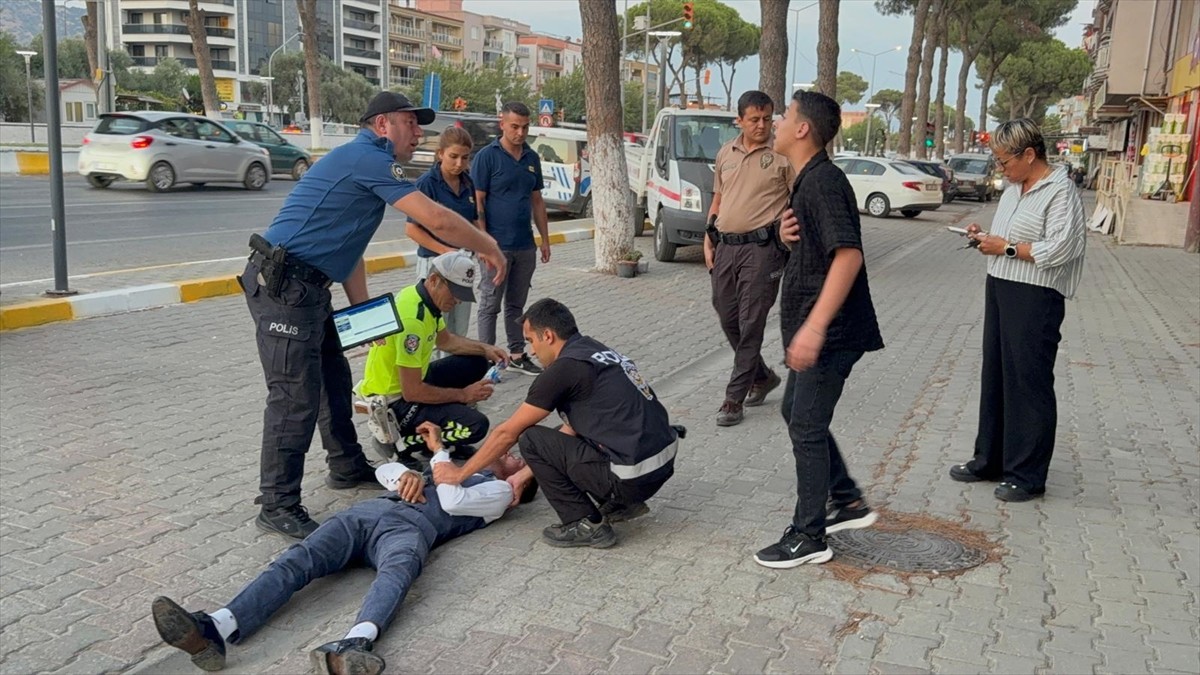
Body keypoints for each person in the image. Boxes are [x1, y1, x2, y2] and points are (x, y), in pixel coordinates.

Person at [243, 91, 507, 540]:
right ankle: (277, 503)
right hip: (284, 287)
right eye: (410, 123)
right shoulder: (366, 158)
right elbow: (437, 220)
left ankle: (346, 466)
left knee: (334, 380)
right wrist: (489, 245)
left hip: (308, 288)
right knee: (294, 399)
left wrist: (365, 314)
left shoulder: (370, 167)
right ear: (383, 125)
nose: (418, 133)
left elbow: (350, 251)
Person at [150, 422, 538, 675]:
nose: (506, 453)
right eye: (509, 451)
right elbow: (383, 471)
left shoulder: (499, 494)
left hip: (409, 529)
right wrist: (406, 476)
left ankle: (353, 645)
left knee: (397, 574)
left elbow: (452, 501)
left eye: (513, 457)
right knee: (298, 560)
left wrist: (438, 454)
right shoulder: (453, 468)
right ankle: (216, 626)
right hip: (367, 514)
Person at [433, 299, 683, 549]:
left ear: (549, 336)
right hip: (659, 466)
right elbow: (573, 429)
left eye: (531, 340)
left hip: (632, 476)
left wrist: (459, 474)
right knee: (554, 439)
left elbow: (507, 433)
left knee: (531, 439)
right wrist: (522, 475)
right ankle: (623, 504)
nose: (531, 351)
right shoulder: (593, 350)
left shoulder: (563, 370)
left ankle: (584, 524)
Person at [755, 90, 884, 569]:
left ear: (803, 128)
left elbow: (848, 254)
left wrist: (814, 327)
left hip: (831, 333)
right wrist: (785, 236)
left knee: (806, 424)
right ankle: (846, 500)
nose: (779, 123)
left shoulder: (823, 182)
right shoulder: (808, 181)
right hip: (822, 331)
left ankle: (809, 534)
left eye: (786, 116)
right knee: (796, 411)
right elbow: (820, 249)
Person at [949, 118, 1086, 502]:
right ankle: (989, 459)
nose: (1000, 168)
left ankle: (1027, 475)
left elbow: (1062, 248)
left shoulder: (1060, 191)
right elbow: (1009, 238)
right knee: (996, 373)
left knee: (1028, 381)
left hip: (1036, 295)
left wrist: (1006, 248)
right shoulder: (1013, 189)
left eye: (1004, 160)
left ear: (1029, 154)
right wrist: (984, 239)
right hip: (1001, 285)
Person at [358, 251, 508, 468]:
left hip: (412, 381)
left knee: (477, 361)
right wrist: (464, 395)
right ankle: (400, 443)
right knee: (476, 426)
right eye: (454, 292)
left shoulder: (422, 298)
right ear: (434, 280)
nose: (457, 300)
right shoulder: (413, 321)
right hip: (395, 401)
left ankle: (439, 435)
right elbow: (412, 392)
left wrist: (485, 349)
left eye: (462, 293)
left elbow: (446, 341)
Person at [705, 90, 796, 427]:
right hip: (725, 247)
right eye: (754, 119)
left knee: (751, 323)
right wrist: (708, 236)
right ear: (739, 120)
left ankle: (733, 398)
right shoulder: (725, 153)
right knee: (727, 315)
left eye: (767, 118)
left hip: (763, 251)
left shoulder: (784, 156)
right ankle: (762, 376)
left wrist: (787, 237)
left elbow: (798, 201)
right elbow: (718, 199)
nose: (761, 125)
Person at [471, 101, 552, 375]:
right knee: (490, 304)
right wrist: (483, 243)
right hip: (496, 247)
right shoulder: (487, 156)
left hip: (525, 245)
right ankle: (486, 359)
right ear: (502, 123)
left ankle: (517, 354)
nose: (520, 132)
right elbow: (477, 202)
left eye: (525, 127)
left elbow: (537, 201)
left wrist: (545, 240)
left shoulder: (531, 158)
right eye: (515, 126)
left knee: (516, 305)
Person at [405, 126, 479, 349]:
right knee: (434, 330)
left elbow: (473, 223)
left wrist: (483, 247)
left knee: (459, 329)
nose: (459, 164)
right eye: (453, 157)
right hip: (435, 266)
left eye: (464, 158)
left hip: (463, 266)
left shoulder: (468, 183)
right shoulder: (427, 184)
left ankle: (455, 378)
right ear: (440, 154)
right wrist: (445, 251)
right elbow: (412, 229)